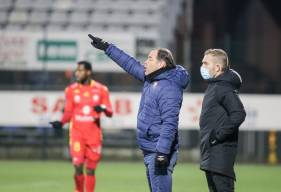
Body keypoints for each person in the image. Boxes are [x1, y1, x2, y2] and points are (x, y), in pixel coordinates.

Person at [88, 34, 189, 192]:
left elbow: (170, 123)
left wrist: (162, 152)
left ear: (161, 63)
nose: (145, 62)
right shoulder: (152, 78)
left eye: (150, 58)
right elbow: (130, 63)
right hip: (151, 150)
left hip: (158, 151)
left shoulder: (169, 87)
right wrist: (107, 48)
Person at [50, 61, 113, 192]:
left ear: (88, 72)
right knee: (78, 165)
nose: (77, 73)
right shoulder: (71, 90)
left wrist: (102, 108)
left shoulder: (102, 89)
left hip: (94, 136)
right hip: (77, 134)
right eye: (76, 70)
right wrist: (61, 122)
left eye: (80, 70)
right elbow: (68, 112)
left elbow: (110, 112)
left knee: (90, 170)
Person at [199, 49, 246, 192]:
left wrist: (217, 136)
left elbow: (238, 113)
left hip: (220, 155)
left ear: (217, 67)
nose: (202, 67)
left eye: (205, 63)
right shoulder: (214, 85)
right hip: (211, 155)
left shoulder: (223, 87)